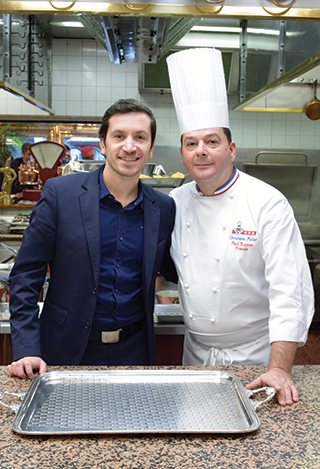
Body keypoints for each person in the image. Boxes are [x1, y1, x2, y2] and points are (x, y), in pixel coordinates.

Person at [167, 48, 314, 406]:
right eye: (192, 143)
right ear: (183, 152)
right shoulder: (174, 201)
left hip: (256, 360)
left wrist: (280, 368)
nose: (201, 151)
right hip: (196, 356)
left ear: (231, 149)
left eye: (212, 142)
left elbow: (289, 291)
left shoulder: (266, 202)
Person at [7, 99, 177, 379]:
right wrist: (26, 348)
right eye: (119, 136)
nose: (129, 146)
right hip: (65, 351)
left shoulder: (163, 208)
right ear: (103, 143)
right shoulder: (61, 194)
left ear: (151, 147)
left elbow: (175, 270)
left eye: (140, 137)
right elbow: (26, 276)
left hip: (135, 354)